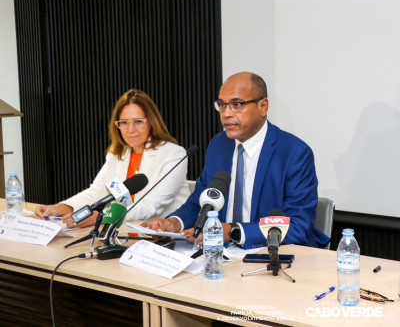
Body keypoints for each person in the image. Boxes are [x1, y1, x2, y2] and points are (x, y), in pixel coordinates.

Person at [142, 72, 329, 249]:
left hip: (270, 256)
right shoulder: (218, 144)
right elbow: (199, 204)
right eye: (222, 105)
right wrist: (174, 223)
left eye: (237, 104)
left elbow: (297, 226)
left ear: (263, 106)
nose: (226, 113)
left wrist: (233, 231)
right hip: (220, 255)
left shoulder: (294, 153)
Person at [34, 89, 190, 227]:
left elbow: (150, 206)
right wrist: (62, 207)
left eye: (138, 122)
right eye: (124, 122)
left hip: (161, 237)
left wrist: (103, 216)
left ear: (151, 122)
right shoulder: (118, 153)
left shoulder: (173, 155)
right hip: (124, 229)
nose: (130, 129)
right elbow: (98, 191)